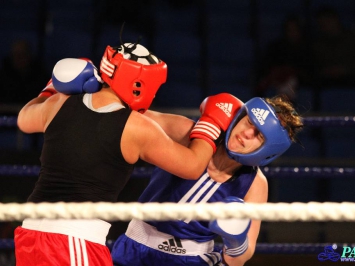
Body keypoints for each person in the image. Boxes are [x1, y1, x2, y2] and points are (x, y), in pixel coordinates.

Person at [14, 40, 243, 266]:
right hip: (73, 239)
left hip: (31, 231)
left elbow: (24, 119)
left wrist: (51, 88)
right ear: (138, 85)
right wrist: (212, 123)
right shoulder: (135, 127)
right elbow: (192, 166)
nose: (154, 95)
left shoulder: (60, 102)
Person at [111, 95, 304, 266]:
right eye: (249, 123)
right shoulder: (190, 133)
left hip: (194, 260)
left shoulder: (255, 184)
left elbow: (239, 260)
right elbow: (132, 118)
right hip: (135, 247)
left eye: (259, 135)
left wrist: (235, 241)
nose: (246, 133)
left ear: (268, 150)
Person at [311, 6, 355, 89]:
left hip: (353, 82)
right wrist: (327, 71)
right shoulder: (318, 44)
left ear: (335, 20)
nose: (324, 27)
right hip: (328, 83)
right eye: (321, 24)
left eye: (327, 22)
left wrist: (345, 70)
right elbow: (315, 68)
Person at [255, 14, 312, 101]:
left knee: (292, 81)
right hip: (276, 82)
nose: (292, 33)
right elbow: (267, 68)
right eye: (290, 30)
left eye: (295, 30)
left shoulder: (307, 49)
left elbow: (309, 72)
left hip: (300, 83)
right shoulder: (276, 47)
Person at [0, 39, 47, 105]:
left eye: (22, 54)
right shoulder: (3, 77)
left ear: (29, 55)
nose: (19, 58)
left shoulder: (40, 77)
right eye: (16, 54)